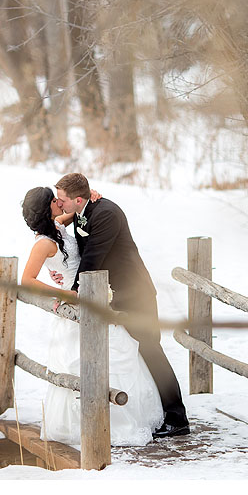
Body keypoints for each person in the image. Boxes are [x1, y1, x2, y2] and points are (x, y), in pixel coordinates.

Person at [21, 186, 165, 446]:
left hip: (94, 296)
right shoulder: (43, 243)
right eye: (55, 201)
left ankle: (126, 416)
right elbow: (27, 280)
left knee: (117, 351)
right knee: (82, 362)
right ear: (47, 208)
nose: (59, 203)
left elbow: (78, 210)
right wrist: (65, 295)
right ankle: (94, 424)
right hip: (76, 301)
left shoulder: (59, 224)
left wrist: (90, 196)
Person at [54, 173, 190, 439]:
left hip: (135, 294)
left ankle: (177, 418)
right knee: (132, 353)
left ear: (78, 199)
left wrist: (73, 290)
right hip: (113, 295)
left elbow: (93, 256)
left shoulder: (107, 214)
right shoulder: (83, 209)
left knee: (151, 350)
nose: (60, 204)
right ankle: (151, 411)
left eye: (62, 200)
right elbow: (74, 238)